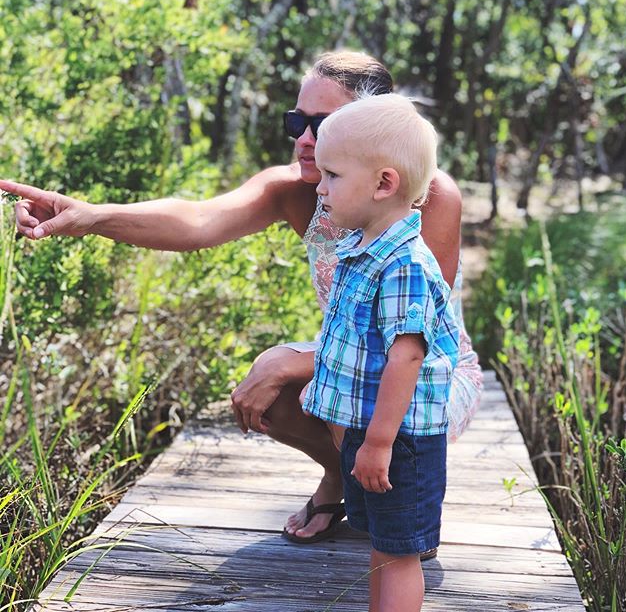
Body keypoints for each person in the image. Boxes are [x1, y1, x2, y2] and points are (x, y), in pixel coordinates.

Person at [0, 50, 483, 545]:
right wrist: (91, 215)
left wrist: (288, 362)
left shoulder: (429, 195)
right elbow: (198, 219)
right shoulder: (297, 189)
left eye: (324, 123)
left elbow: (409, 342)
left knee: (293, 376)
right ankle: (339, 477)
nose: (304, 140)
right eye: (297, 122)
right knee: (272, 398)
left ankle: (407, 517)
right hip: (351, 358)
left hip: (424, 372)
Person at [299, 92, 457, 611]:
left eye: (332, 176)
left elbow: (406, 358)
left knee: (400, 553)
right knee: (383, 545)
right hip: (371, 433)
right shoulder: (364, 248)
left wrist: (379, 444)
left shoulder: (404, 264)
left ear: (384, 183)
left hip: (399, 441)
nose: (320, 189)